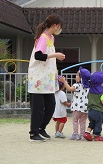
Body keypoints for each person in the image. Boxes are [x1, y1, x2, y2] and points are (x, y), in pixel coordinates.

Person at [27, 14, 66, 142]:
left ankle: (41, 128)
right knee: (38, 108)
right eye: (59, 26)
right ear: (54, 26)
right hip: (38, 78)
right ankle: (34, 133)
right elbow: (38, 55)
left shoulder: (51, 38)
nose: (59, 28)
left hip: (47, 79)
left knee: (51, 105)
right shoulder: (43, 37)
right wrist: (54, 55)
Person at [60, 67, 90, 140]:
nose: (75, 76)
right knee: (83, 121)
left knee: (75, 120)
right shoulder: (88, 86)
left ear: (81, 78)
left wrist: (64, 82)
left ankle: (75, 134)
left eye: (77, 75)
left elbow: (69, 89)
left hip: (77, 107)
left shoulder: (77, 85)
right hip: (85, 107)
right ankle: (82, 134)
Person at [83, 72, 103, 141]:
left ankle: (87, 132)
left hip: (90, 110)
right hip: (98, 110)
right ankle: (97, 135)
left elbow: (88, 97)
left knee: (91, 123)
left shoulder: (90, 91)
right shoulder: (102, 93)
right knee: (98, 123)